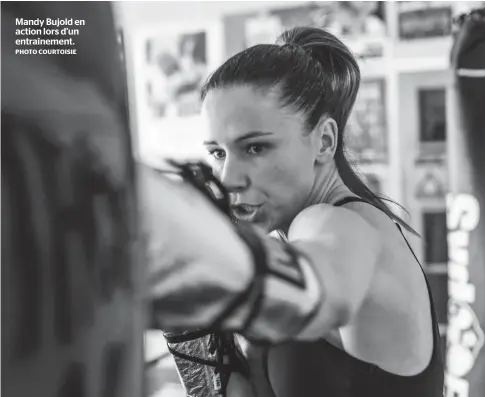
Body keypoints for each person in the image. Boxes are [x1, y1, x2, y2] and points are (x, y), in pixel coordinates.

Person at [142, 26, 444, 397]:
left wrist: (201, 265)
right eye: (218, 153)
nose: (228, 178)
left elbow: (329, 287)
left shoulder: (338, 223)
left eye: (255, 148)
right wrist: (189, 332)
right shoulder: (289, 241)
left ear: (324, 141)